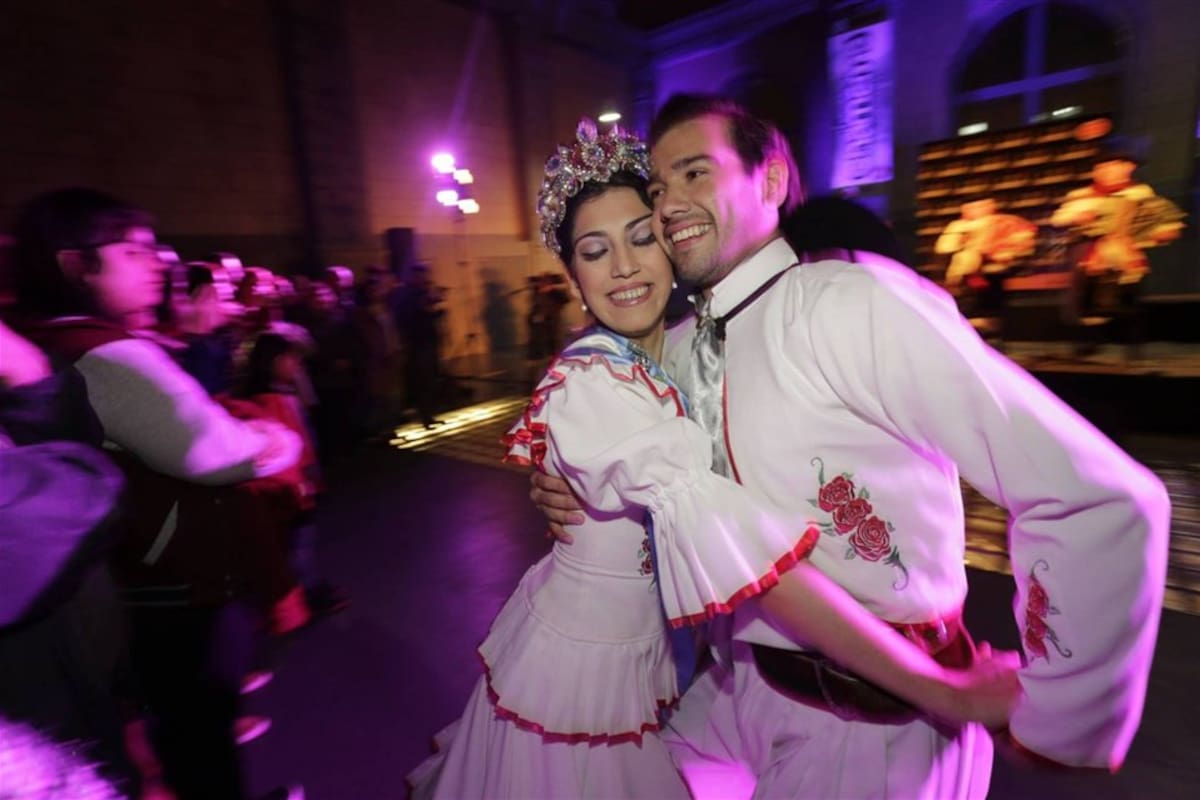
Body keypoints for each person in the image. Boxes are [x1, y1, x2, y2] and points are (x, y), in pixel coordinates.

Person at [532, 95, 1170, 799]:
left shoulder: (852, 303)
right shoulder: (680, 347)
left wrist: (1057, 713)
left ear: (770, 180)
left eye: (694, 174)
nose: (670, 203)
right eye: (658, 188)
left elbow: (1095, 493)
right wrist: (565, 482)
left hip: (875, 731)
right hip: (733, 689)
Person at [409, 121, 1020, 800]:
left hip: (667, 670)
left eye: (642, 237)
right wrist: (943, 688)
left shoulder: (686, 339)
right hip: (585, 679)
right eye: (594, 250)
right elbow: (750, 565)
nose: (624, 266)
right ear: (572, 275)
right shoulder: (598, 382)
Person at [10, 187, 306, 800]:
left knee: (184, 734)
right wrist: (273, 440)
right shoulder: (108, 353)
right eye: (132, 251)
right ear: (74, 265)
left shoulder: (51, 340)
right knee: (198, 738)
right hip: (177, 585)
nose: (157, 264)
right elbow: (210, 452)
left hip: (134, 578)